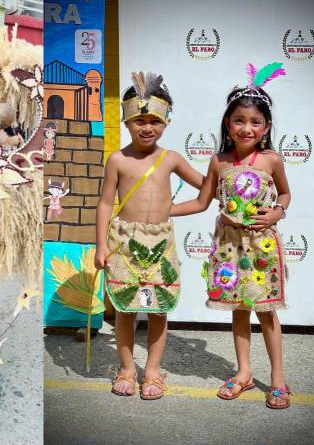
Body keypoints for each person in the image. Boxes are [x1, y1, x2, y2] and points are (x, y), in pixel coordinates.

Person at [171, 63, 291, 408]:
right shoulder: (218, 162)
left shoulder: (272, 160)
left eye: (255, 122)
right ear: (228, 123)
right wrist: (163, 210)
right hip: (229, 248)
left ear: (266, 126)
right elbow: (200, 201)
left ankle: (279, 379)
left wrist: (279, 211)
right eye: (239, 120)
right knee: (239, 310)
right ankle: (243, 373)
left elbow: (285, 194)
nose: (246, 128)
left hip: (262, 246)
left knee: (266, 311)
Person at [94, 71, 204, 399]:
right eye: (139, 120)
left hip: (160, 247)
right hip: (125, 245)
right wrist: (101, 245)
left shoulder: (171, 159)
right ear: (127, 122)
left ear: (166, 123)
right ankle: (127, 368)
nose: (147, 127)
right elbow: (103, 204)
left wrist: (170, 210)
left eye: (154, 120)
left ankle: (153, 371)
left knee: (157, 309)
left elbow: (205, 192)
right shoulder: (118, 160)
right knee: (127, 309)